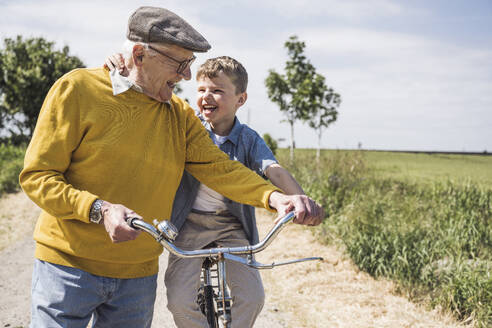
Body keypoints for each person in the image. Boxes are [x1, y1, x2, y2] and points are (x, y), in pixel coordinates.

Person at [20, 6, 323, 328]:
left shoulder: (178, 114)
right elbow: (38, 176)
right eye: (180, 64)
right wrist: (99, 209)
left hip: (137, 276)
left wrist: (275, 198)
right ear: (139, 54)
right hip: (68, 268)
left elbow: (220, 168)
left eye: (189, 64)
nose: (187, 76)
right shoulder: (78, 89)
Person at [105, 54, 323, 327]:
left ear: (240, 100)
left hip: (231, 225)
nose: (207, 96)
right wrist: (124, 75)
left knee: (252, 297)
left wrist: (300, 200)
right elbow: (147, 105)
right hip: (188, 224)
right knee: (179, 301)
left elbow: (273, 169)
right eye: (201, 90)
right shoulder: (185, 125)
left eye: (218, 91)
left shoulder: (248, 139)